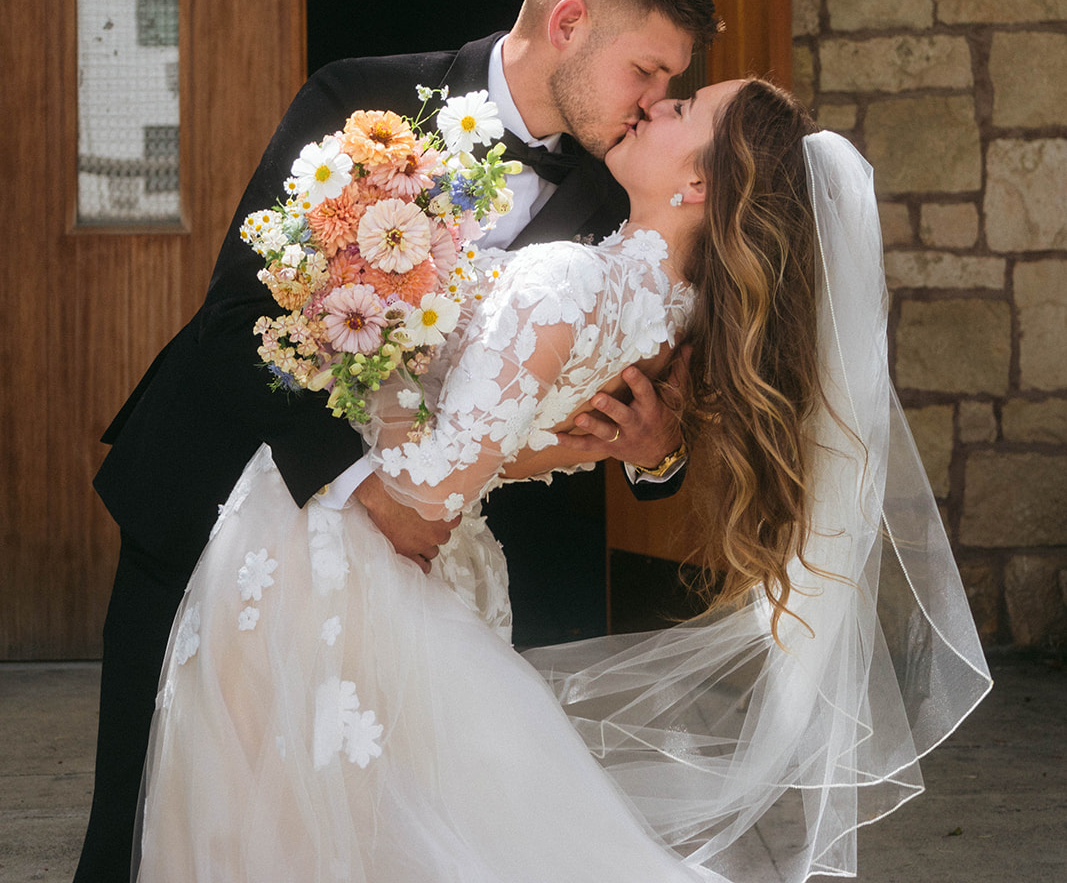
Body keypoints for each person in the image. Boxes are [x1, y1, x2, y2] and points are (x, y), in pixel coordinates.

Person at [134, 79, 991, 883]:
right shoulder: (673, 319)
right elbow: (509, 449)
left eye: (681, 103)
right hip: (393, 559)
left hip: (334, 565)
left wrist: (370, 325)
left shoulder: (573, 282)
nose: (651, 104)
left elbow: (427, 490)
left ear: (697, 183)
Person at [74, 0, 720, 883]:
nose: (652, 102)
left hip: (396, 579)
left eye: (669, 86)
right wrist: (367, 484)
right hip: (216, 504)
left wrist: (655, 451)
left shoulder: (616, 202)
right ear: (570, 22)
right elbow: (238, 318)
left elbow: (609, 408)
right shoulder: (361, 100)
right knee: (143, 827)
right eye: (647, 71)